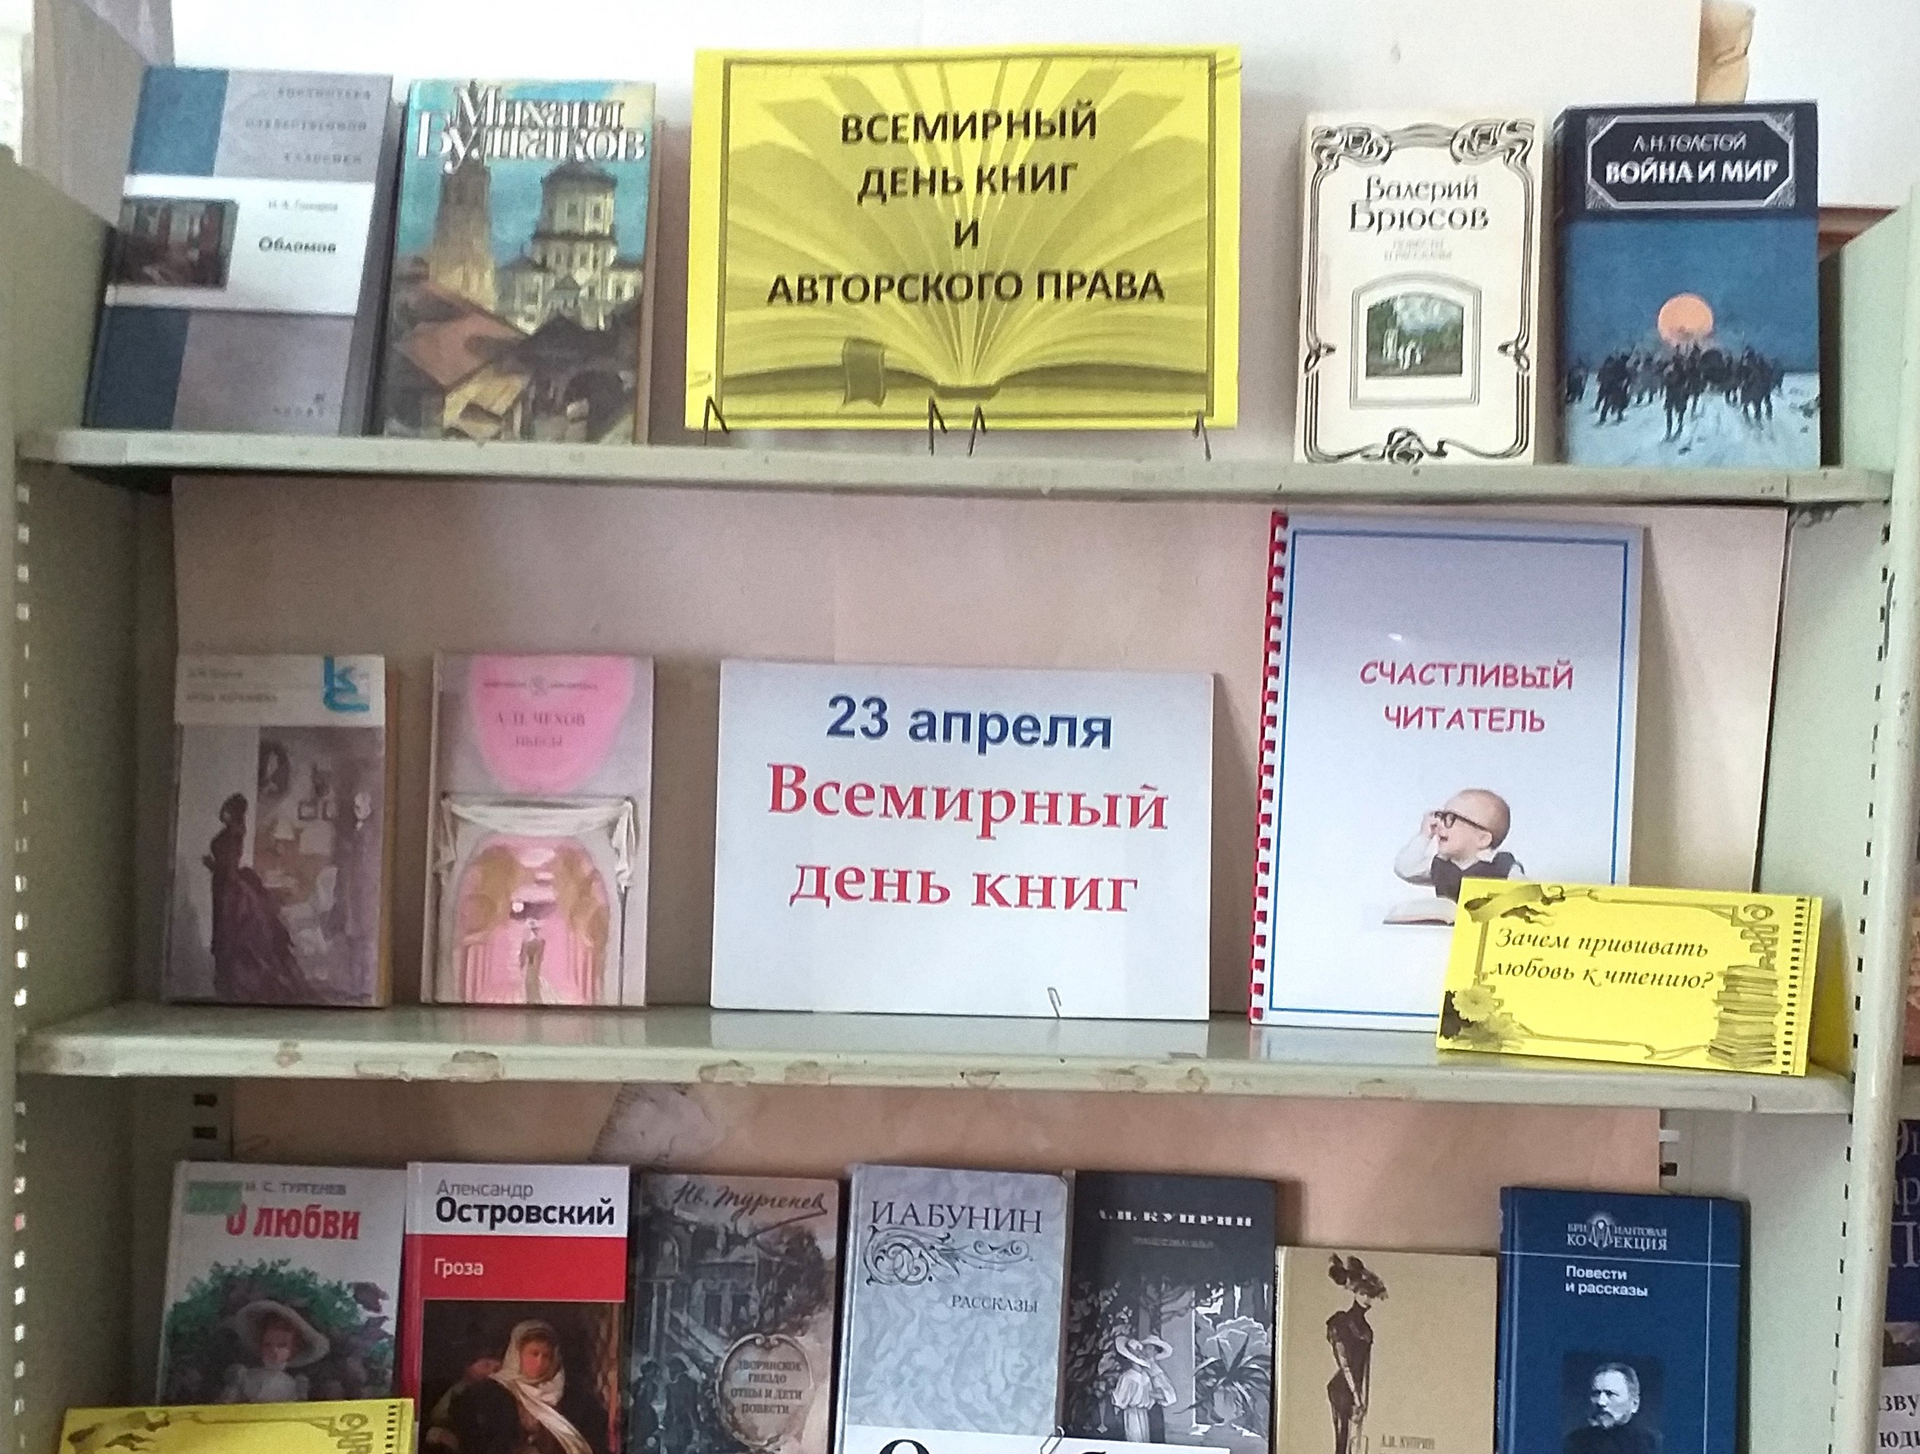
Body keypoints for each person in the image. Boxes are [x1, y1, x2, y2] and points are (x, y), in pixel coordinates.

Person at [204, 793, 309, 1003]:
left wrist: (213, 866)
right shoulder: (234, 832)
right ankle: (227, 981)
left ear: (232, 812)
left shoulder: (232, 835)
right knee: (226, 932)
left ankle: (230, 983)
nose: (223, 812)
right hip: (223, 888)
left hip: (227, 890)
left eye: (227, 810)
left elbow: (229, 872)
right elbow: (229, 869)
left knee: (228, 933)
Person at [452, 1320, 609, 1454]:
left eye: (546, 1356)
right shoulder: (489, 1394)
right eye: (534, 1354)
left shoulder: (573, 1399)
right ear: (517, 1355)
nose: (539, 1362)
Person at [1392, 789, 1520, 915]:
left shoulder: (1502, 866)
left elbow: (1525, 893)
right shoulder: (1441, 865)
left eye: (1451, 818)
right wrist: (1424, 836)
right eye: (1441, 816)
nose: (1439, 824)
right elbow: (1406, 868)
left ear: (1482, 839)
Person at [1324, 1256, 1386, 1454]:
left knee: (1356, 1444)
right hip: (1341, 1388)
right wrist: (1357, 1396)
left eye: (1370, 1295)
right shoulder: (1340, 1322)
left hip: (1356, 1389)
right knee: (1342, 1442)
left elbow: (1365, 1369)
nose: (1367, 1300)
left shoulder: (1367, 1330)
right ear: (1354, 1293)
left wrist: (1364, 1400)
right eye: (1363, 1293)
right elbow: (1345, 1364)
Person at [218, 1300, 329, 1403]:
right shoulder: (246, 1378)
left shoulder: (292, 1386)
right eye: (267, 1345)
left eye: (281, 1346)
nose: (273, 1350)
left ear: (293, 1350)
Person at [1564, 1363, 1659, 1454]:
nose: (1601, 1402)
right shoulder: (1573, 1442)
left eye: (1610, 1394)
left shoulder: (1652, 1444)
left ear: (1634, 1404)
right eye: (1596, 1394)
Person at [1109, 1332, 1177, 1442]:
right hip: (1139, 1411)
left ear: (1155, 1351)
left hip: (1152, 1411)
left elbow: (1170, 1396)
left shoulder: (1155, 1372)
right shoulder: (1138, 1372)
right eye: (1145, 1347)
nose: (1145, 1351)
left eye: (1150, 1348)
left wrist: (1148, 1394)